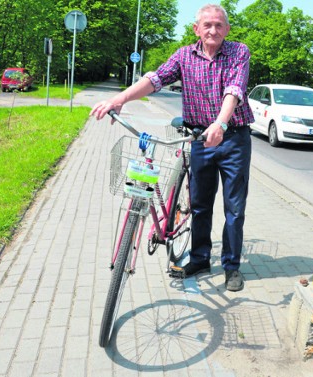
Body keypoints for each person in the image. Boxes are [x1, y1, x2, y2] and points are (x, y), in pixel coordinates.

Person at [90, 3, 254, 292]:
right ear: (197, 29)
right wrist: (120, 99)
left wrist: (221, 123)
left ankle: (232, 266)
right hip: (199, 138)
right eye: (207, 25)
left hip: (232, 138)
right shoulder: (183, 55)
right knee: (200, 205)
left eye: (219, 25)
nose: (213, 30)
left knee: (234, 208)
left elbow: (234, 90)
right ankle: (201, 258)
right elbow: (155, 79)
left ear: (227, 29)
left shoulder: (239, 52)